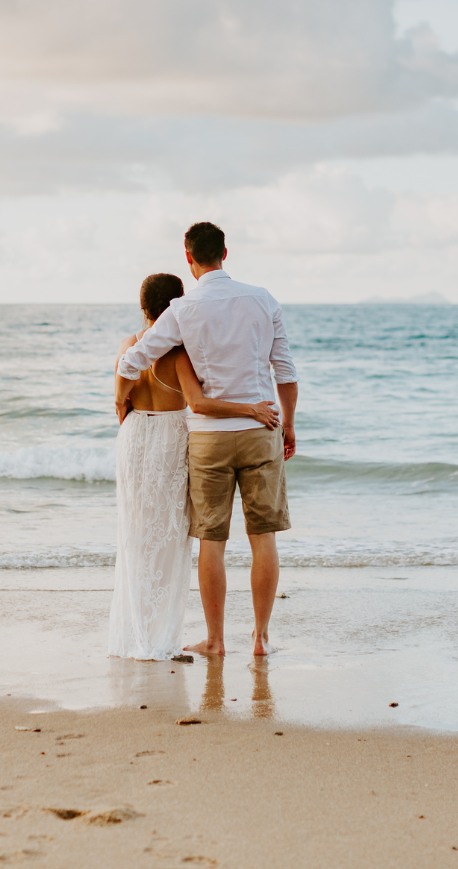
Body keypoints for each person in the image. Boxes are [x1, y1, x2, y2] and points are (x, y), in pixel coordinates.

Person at [116, 222, 298, 657]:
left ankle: (215, 641)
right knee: (264, 539)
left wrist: (122, 405)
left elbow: (132, 360)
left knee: (211, 542)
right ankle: (260, 639)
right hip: (261, 430)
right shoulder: (263, 298)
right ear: (225, 253)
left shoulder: (182, 308)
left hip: (208, 441)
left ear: (189, 256)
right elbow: (286, 372)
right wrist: (288, 423)